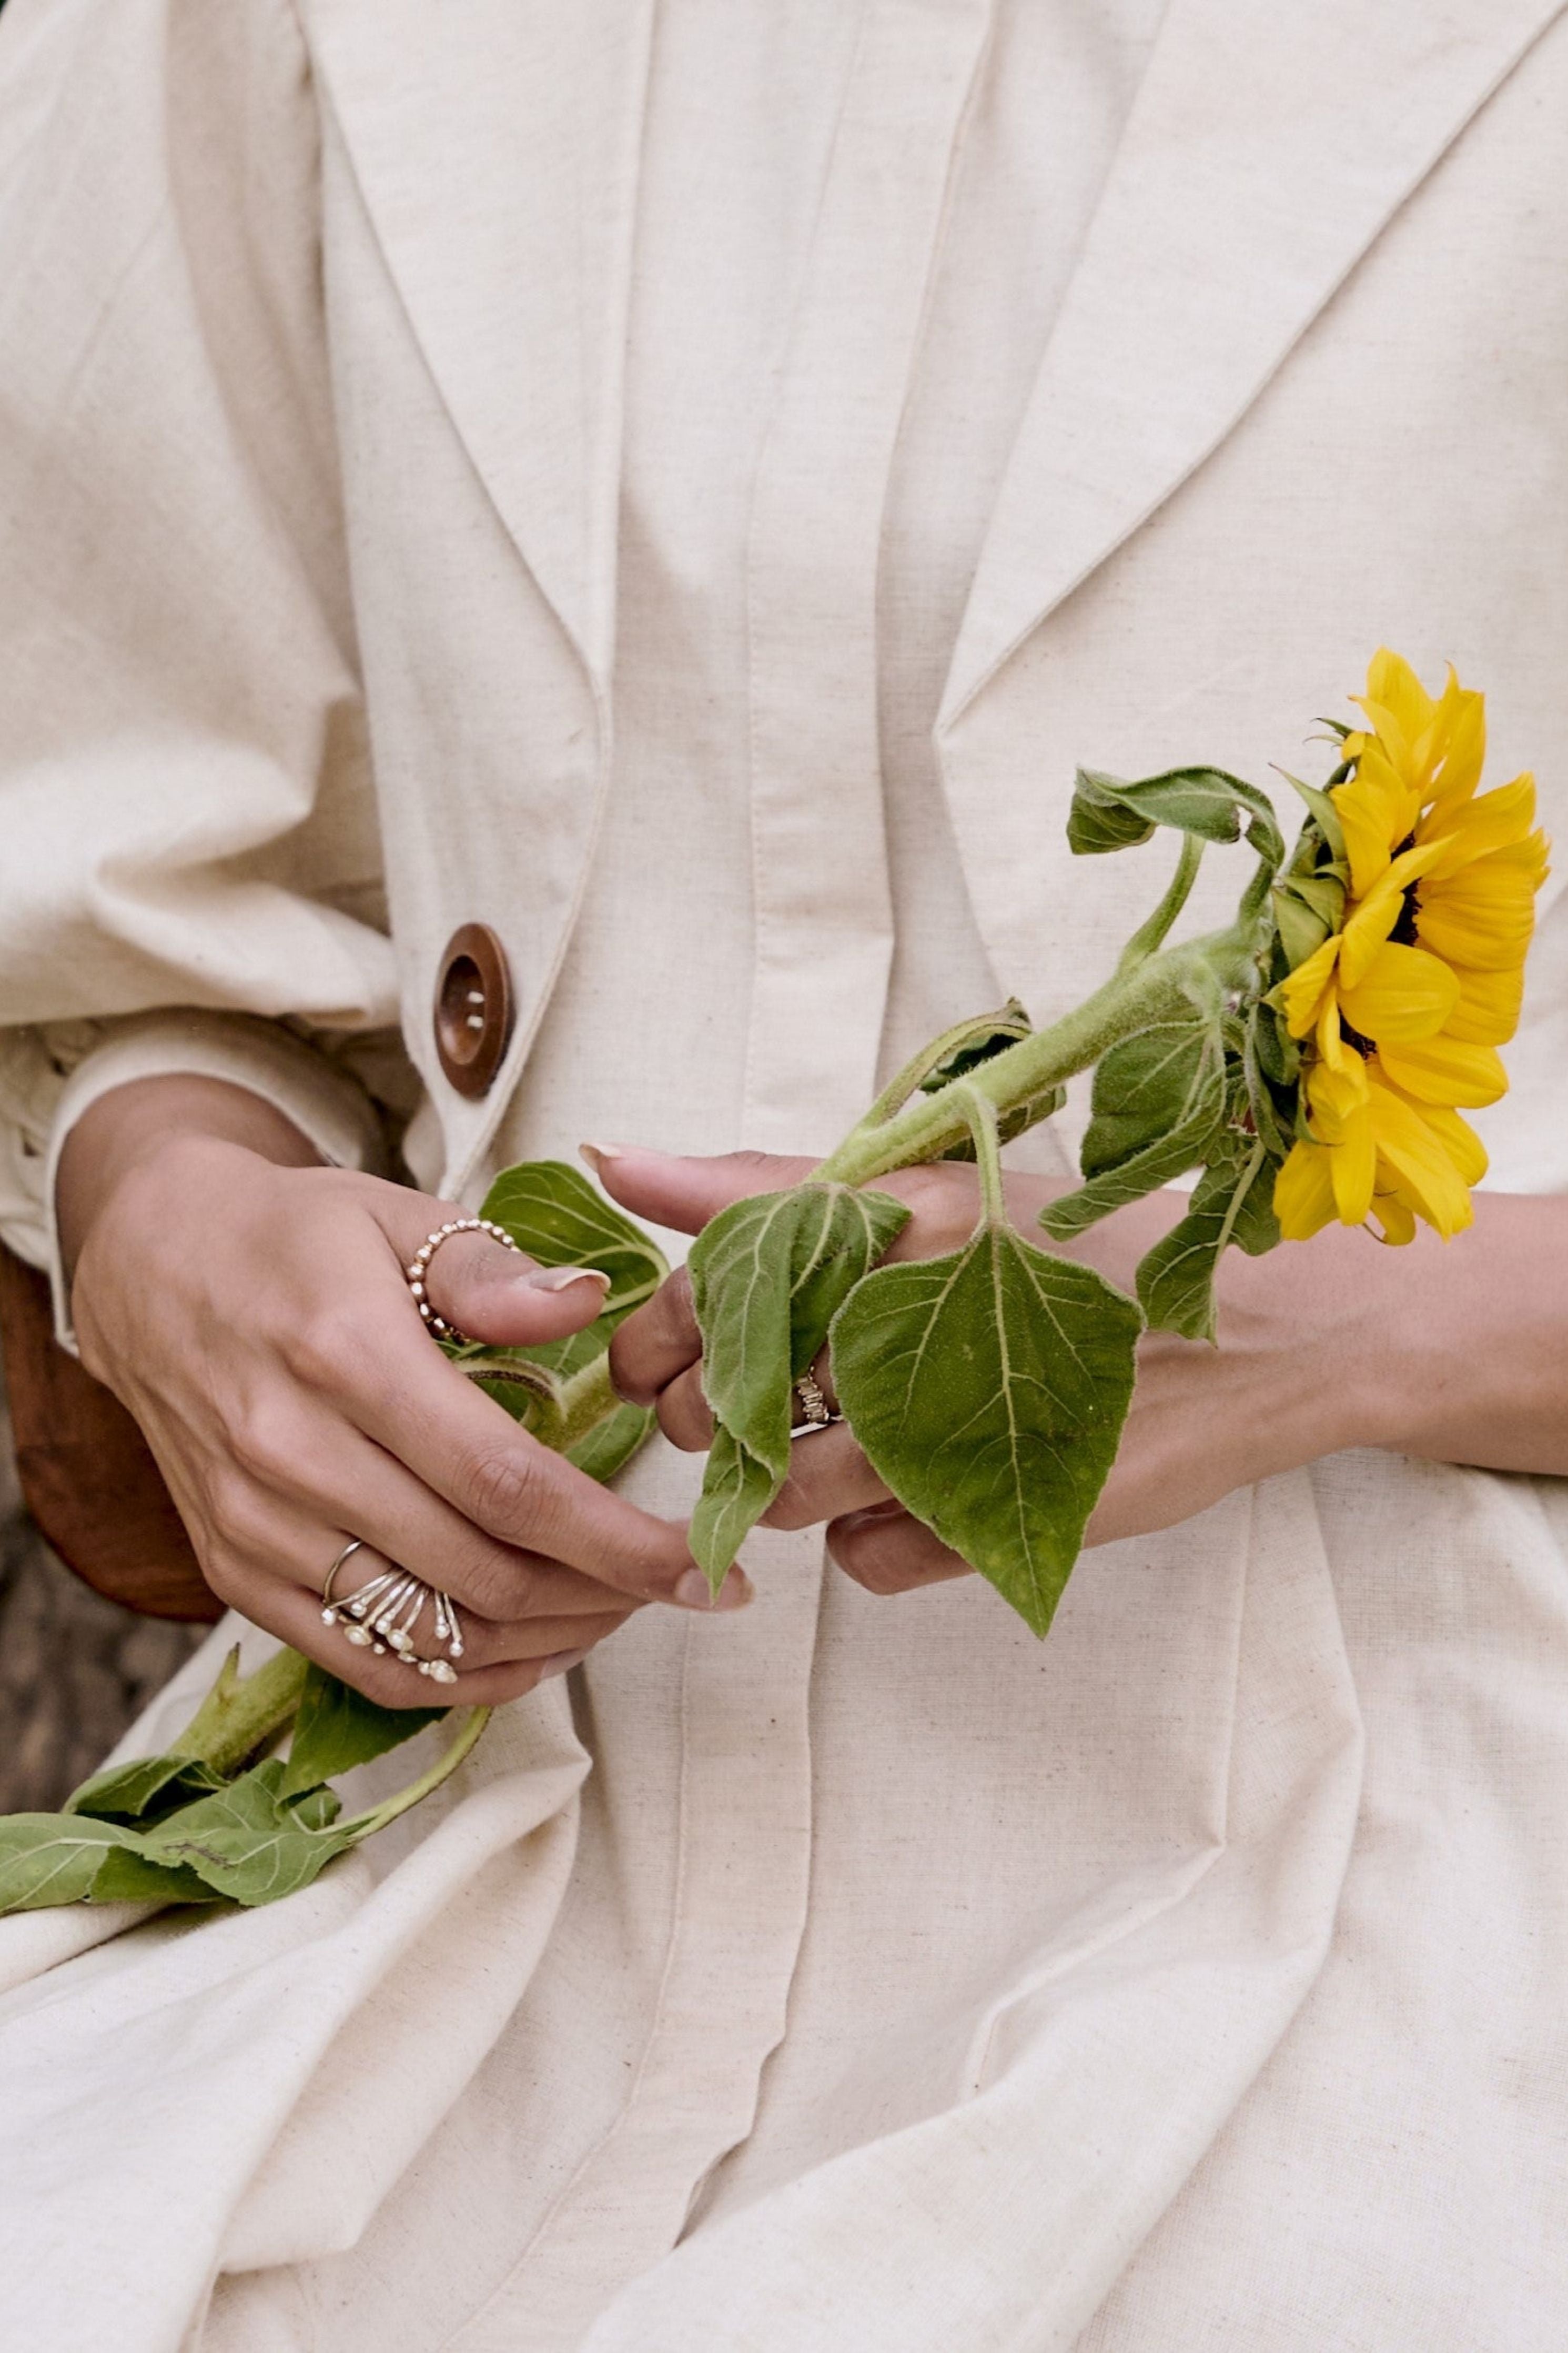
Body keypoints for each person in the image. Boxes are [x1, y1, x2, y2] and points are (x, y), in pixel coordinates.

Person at [2, 1, 1567, 2345]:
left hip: (1421, 1909)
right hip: (431, 1885)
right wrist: (164, 1220)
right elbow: (142, 834)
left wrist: (1295, 1316)